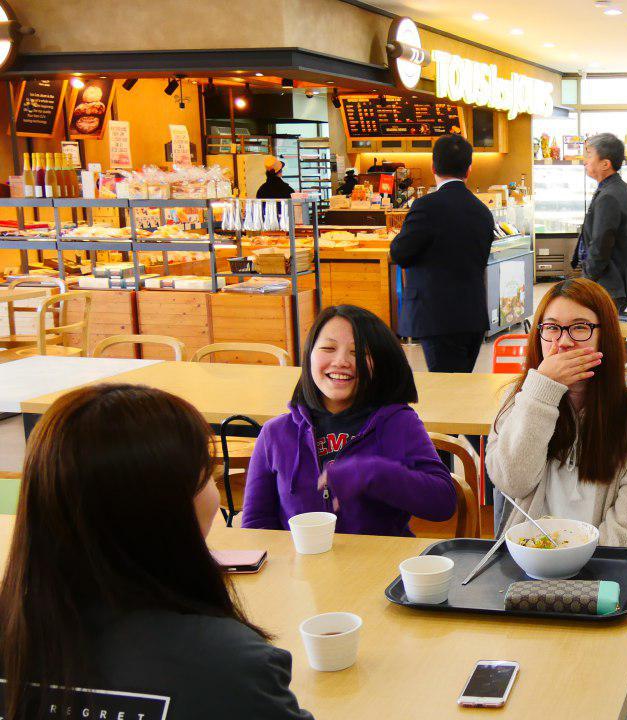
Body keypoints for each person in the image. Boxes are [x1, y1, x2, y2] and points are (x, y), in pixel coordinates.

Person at [0, 384, 313, 720]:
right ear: (167, 510)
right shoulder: (231, 667)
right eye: (207, 474)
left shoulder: (18, 635)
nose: (215, 489)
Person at [241, 305, 456, 536]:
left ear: (380, 363)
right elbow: (256, 525)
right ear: (309, 355)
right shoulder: (275, 433)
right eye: (328, 348)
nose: (341, 361)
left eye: (358, 352)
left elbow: (443, 502)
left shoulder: (398, 423)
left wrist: (372, 472)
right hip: (300, 559)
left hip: (380, 558)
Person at [486, 277, 627, 548]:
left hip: (608, 565)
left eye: (580, 327)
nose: (563, 342)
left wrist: (575, 563)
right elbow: (513, 482)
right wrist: (542, 391)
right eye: (552, 328)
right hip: (531, 560)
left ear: (605, 336)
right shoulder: (519, 401)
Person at [390, 133, 495, 373]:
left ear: (433, 167)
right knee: (461, 382)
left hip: (436, 316)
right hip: (473, 315)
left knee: (446, 386)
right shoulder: (482, 211)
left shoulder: (426, 206)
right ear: (469, 169)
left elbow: (400, 253)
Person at [574, 133, 627, 315]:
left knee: (600, 330)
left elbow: (601, 244)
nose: (585, 161)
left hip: (610, 283)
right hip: (617, 282)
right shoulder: (619, 189)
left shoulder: (609, 196)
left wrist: (587, 279)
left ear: (605, 164)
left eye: (589, 155)